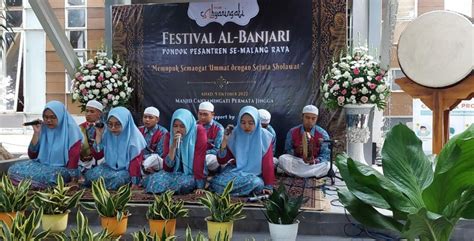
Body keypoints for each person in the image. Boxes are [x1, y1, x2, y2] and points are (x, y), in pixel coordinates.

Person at [8, 101, 82, 189]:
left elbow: (74, 156)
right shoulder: (44, 128)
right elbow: (32, 155)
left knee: (46, 177)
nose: (48, 120)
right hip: (42, 165)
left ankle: (37, 184)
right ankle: (36, 185)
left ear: (61, 116)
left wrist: (73, 180)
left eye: (53, 117)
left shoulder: (71, 129)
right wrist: (36, 133)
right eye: (45, 117)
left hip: (63, 168)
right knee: (13, 170)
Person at [210, 106, 275, 196]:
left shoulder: (265, 137)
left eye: (251, 123)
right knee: (217, 182)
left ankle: (226, 191)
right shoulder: (234, 133)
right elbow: (221, 160)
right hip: (235, 171)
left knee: (258, 184)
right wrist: (225, 140)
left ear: (256, 122)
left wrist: (268, 186)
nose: (246, 126)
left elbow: (268, 164)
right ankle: (239, 191)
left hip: (253, 175)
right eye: (243, 123)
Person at [143, 109, 207, 194]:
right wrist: (173, 146)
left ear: (188, 124)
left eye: (182, 126)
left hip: (192, 173)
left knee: (182, 184)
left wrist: (200, 186)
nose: (178, 129)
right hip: (174, 173)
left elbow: (199, 158)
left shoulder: (198, 132)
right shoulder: (169, 136)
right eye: (175, 126)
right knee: (155, 182)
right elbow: (167, 167)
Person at [84, 107, 146, 190]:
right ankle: (102, 186)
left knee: (118, 180)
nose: (113, 128)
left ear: (125, 122)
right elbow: (98, 156)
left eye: (117, 124)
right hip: (109, 167)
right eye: (110, 124)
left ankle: (101, 187)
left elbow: (135, 162)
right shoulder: (107, 134)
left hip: (126, 171)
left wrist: (135, 182)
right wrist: (99, 135)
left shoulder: (134, 138)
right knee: (89, 175)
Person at [278, 105, 331, 178]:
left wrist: (315, 161)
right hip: (298, 162)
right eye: (307, 117)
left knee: (329, 166)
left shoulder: (323, 134)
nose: (310, 121)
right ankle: (310, 174)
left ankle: (298, 174)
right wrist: (296, 151)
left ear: (317, 119)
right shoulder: (292, 132)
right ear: (302, 117)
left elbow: (325, 155)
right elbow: (287, 150)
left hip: (314, 165)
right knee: (282, 159)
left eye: (313, 118)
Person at [196, 101, 224, 173]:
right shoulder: (193, 125)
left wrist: (201, 154)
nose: (202, 117)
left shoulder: (218, 128)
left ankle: (202, 177)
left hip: (209, 155)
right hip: (193, 154)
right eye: (200, 114)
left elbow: (217, 149)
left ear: (212, 114)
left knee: (211, 160)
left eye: (205, 114)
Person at [139, 106, 168, 174]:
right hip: (139, 160)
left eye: (150, 117)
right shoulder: (139, 130)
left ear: (157, 119)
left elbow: (160, 154)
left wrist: (145, 160)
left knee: (154, 158)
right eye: (145, 117)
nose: (147, 120)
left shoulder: (163, 132)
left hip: (155, 163)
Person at [78, 100, 104, 176]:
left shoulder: (104, 129)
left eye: (92, 112)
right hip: (82, 162)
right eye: (87, 111)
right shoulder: (80, 127)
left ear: (99, 114)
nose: (88, 114)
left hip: (99, 162)